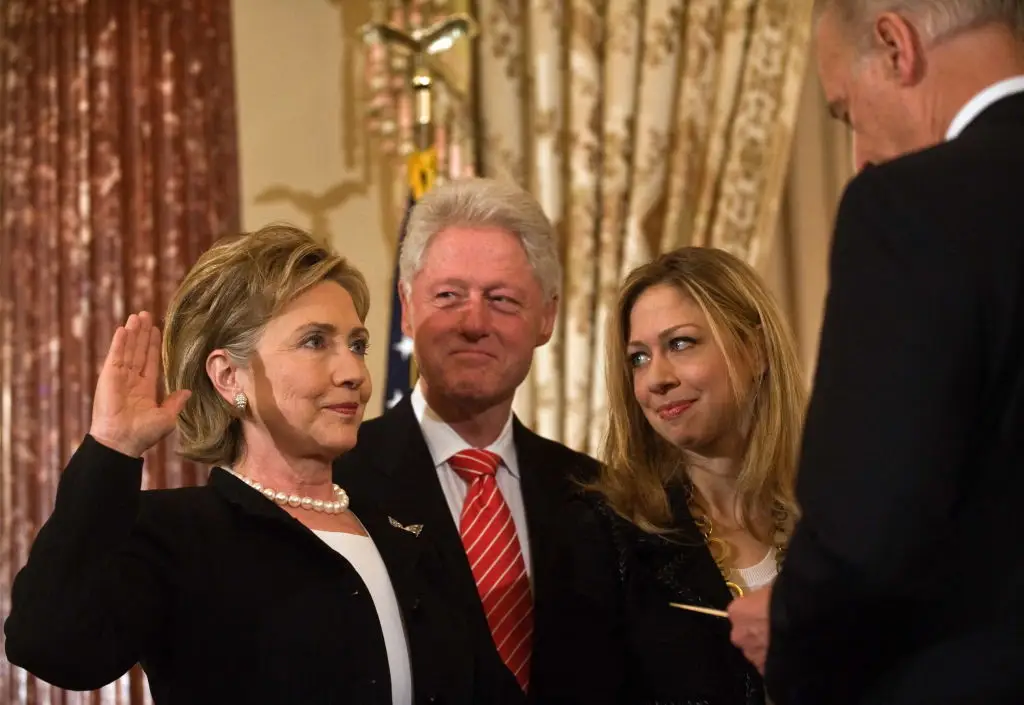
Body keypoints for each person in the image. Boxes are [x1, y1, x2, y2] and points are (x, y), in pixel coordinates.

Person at [4, 225, 522, 705]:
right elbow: (53, 647)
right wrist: (112, 448)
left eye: (357, 345)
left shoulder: (408, 530)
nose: (353, 373)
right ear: (229, 376)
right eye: (315, 341)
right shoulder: (173, 533)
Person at [726, 2, 1024, 704]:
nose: (857, 154)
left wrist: (791, 634)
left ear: (897, 46)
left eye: (843, 111)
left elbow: (867, 530)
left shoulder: (908, 205)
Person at [334, 177, 600, 700]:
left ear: (546, 316)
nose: (473, 323)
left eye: (502, 300)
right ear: (407, 307)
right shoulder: (336, 482)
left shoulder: (599, 495)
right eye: (449, 296)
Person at [529, 246, 808, 705]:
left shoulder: (838, 516)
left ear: (756, 351)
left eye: (680, 344)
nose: (655, 378)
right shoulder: (601, 531)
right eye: (638, 358)